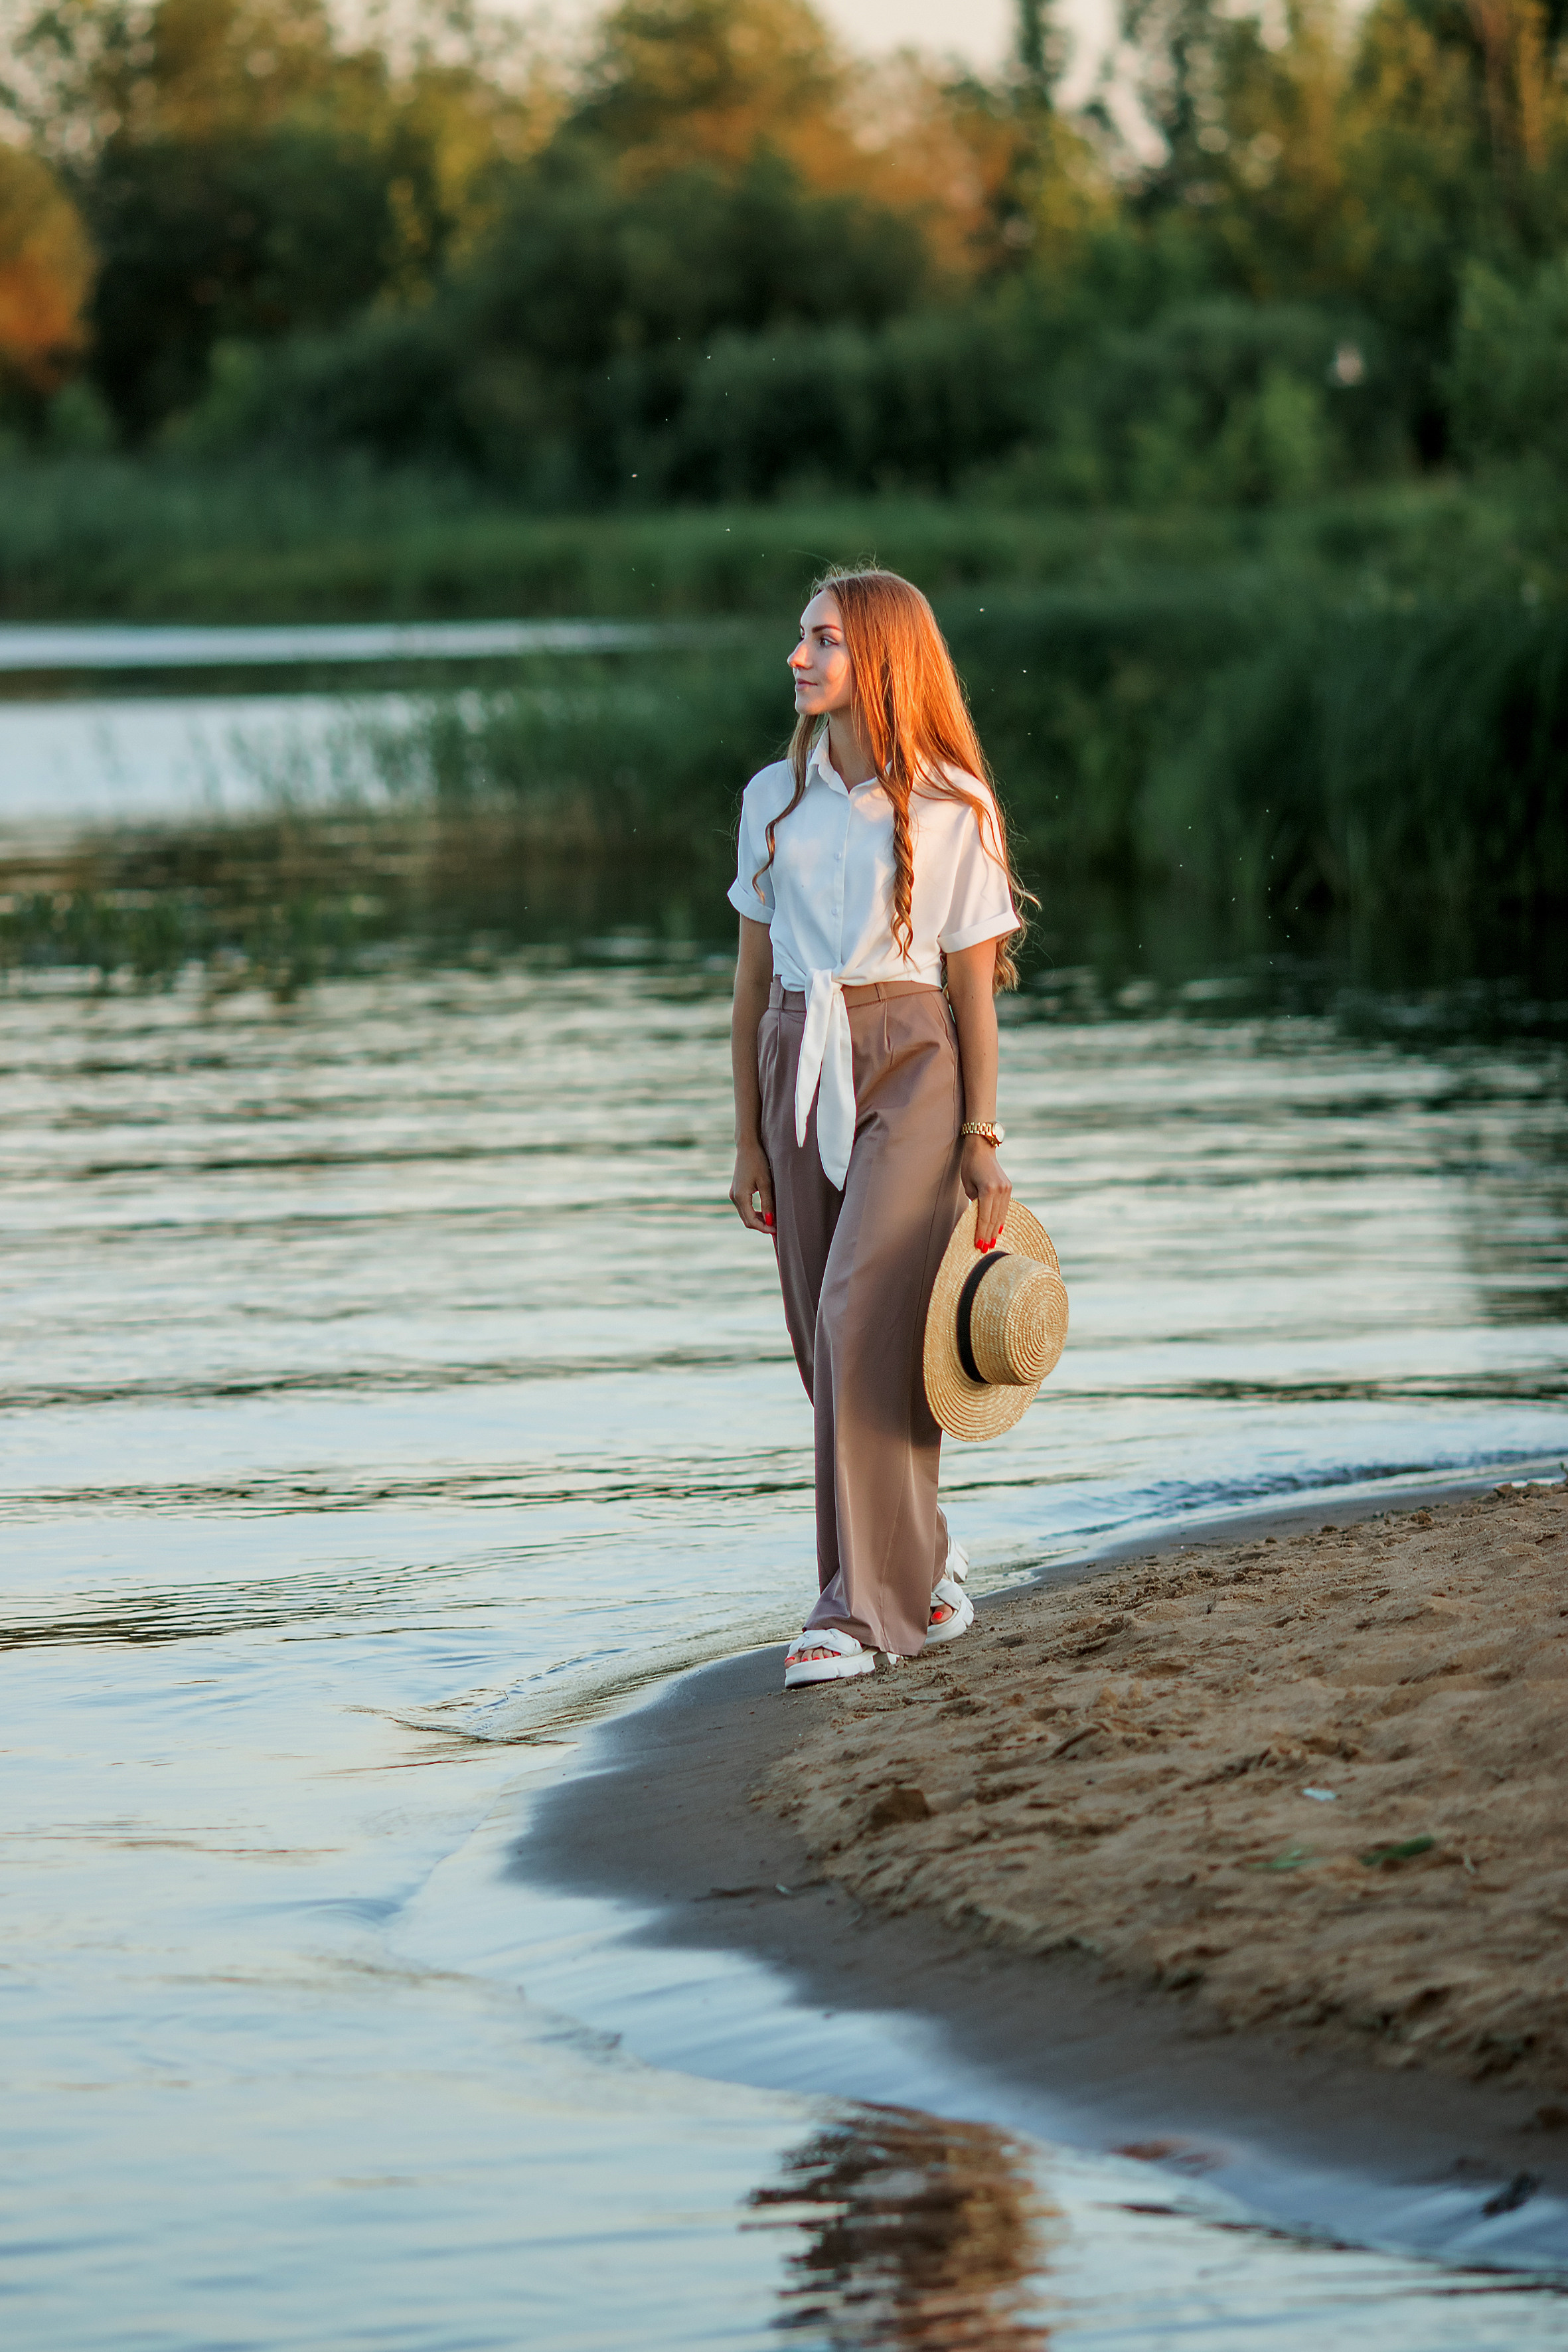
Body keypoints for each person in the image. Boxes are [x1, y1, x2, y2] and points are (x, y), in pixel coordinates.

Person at [727, 566, 1032, 1689]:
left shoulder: (954, 803)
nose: (799, 659)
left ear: (883, 662)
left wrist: (981, 1133)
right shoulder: (772, 795)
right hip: (793, 1062)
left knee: (862, 1312)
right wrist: (748, 1140)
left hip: (912, 1063)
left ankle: (856, 1613)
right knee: (828, 1343)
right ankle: (928, 1563)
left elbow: (973, 994)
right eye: (800, 637)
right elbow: (751, 985)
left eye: (824, 643)